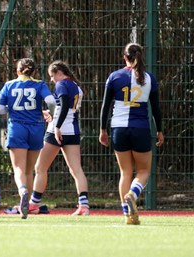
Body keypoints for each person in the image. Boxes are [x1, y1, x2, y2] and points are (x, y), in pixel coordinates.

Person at [99, 43, 164, 225]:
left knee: (125, 172)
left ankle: (127, 215)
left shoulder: (115, 76)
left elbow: (105, 107)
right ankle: (132, 194)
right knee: (143, 171)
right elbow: (156, 109)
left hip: (119, 129)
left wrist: (102, 130)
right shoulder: (149, 78)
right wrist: (159, 130)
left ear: (124, 57)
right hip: (141, 128)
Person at [0, 58, 56, 219]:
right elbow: (50, 101)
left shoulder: (9, 85)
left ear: (17, 71)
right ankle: (27, 204)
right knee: (30, 170)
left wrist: (14, 109)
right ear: (34, 72)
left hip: (17, 127)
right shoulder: (39, 84)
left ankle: (22, 191)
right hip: (35, 128)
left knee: (19, 169)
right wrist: (50, 113)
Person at [30, 60, 90, 216]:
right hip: (73, 131)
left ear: (58, 72)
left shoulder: (61, 85)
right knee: (76, 169)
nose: (52, 80)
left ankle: (34, 204)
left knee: (40, 168)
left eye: (52, 76)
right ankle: (84, 206)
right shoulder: (77, 87)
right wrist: (52, 114)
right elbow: (68, 109)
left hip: (57, 132)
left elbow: (63, 105)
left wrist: (56, 126)